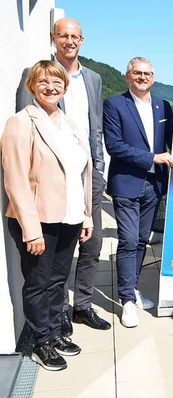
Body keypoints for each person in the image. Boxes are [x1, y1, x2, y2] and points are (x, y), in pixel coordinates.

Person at [16, 17, 110, 335]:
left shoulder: (93, 79)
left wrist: (97, 167)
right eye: (63, 35)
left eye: (75, 36)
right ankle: (54, 320)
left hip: (87, 174)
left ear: (82, 40)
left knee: (91, 244)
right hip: (51, 179)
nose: (69, 41)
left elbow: (94, 125)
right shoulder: (39, 75)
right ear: (53, 37)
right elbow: (26, 126)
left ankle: (81, 306)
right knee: (52, 260)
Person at [2, 60, 93, 370]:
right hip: (38, 220)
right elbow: (14, 179)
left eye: (56, 82)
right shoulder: (20, 122)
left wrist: (87, 214)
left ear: (64, 87)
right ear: (32, 86)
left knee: (57, 281)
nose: (50, 87)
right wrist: (31, 230)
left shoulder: (70, 124)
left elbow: (83, 173)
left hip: (69, 217)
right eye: (43, 82)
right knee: (38, 283)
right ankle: (42, 340)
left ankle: (55, 333)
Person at [103, 57, 173, 328]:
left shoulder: (163, 106)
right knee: (128, 240)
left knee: (142, 239)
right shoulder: (114, 105)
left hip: (154, 186)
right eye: (137, 73)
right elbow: (115, 146)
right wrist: (152, 158)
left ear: (153, 77)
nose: (142, 77)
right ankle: (127, 301)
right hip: (126, 183)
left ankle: (131, 289)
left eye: (147, 73)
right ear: (127, 76)